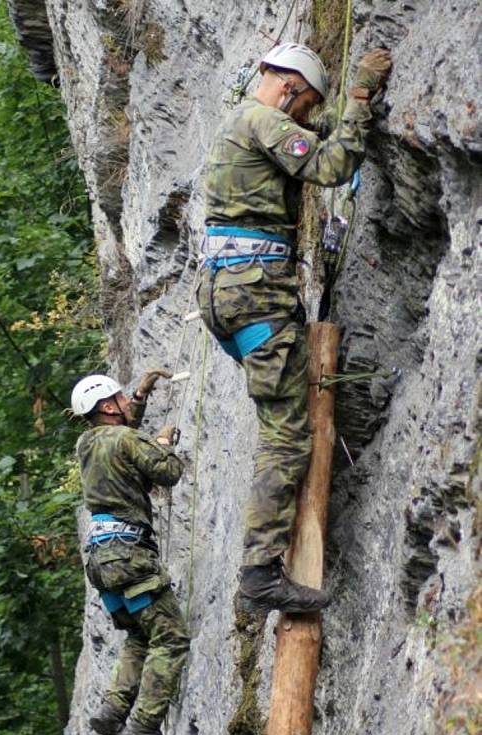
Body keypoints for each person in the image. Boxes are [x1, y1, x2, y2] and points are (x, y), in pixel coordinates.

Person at [197, 43, 392, 614]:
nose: (305, 116)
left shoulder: (243, 119)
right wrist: (357, 98)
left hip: (227, 294)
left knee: (281, 412)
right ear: (288, 89)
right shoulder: (264, 122)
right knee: (285, 434)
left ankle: (262, 566)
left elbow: (312, 135)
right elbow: (332, 166)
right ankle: (259, 575)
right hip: (254, 295)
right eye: (305, 104)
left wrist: (347, 109)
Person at [70, 371, 190, 735]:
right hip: (130, 556)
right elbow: (167, 473)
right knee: (170, 638)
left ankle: (112, 709)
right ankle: (143, 725)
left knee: (141, 635)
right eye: (120, 398)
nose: (125, 401)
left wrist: (139, 395)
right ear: (108, 406)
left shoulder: (87, 443)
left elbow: (122, 439)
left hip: (102, 563)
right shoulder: (127, 439)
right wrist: (163, 445)